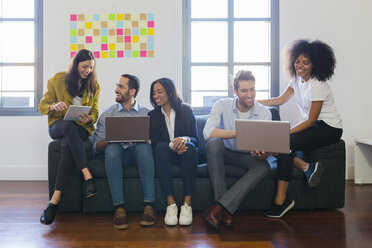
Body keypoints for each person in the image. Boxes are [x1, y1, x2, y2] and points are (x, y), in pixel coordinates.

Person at [258, 39, 343, 218]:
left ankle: (280, 202)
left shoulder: (317, 84)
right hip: (315, 126)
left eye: (306, 62)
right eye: (297, 61)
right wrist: (254, 102)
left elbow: (311, 120)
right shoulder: (296, 79)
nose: (300, 65)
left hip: (329, 128)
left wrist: (285, 132)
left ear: (315, 64)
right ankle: (306, 167)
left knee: (283, 143)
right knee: (282, 145)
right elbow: (280, 100)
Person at [203, 70, 272, 229]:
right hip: (224, 153)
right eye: (244, 90)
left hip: (247, 156)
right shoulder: (222, 104)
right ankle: (224, 209)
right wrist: (239, 132)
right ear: (235, 91)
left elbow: (265, 145)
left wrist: (262, 153)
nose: (250, 94)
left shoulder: (264, 113)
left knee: (264, 166)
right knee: (213, 143)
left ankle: (219, 208)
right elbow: (208, 132)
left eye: (252, 89)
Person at [38, 49, 100, 225]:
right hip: (58, 125)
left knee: (68, 142)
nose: (87, 70)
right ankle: (87, 174)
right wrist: (53, 106)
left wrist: (89, 119)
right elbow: (42, 105)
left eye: (91, 67)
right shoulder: (58, 79)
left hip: (80, 127)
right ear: (76, 64)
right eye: (84, 66)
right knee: (67, 126)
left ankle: (53, 202)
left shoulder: (94, 86)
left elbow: (94, 112)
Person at [93, 74, 156, 229]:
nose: (116, 90)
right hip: (117, 155)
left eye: (121, 87)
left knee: (143, 147)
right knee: (112, 148)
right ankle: (119, 208)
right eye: (117, 86)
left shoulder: (148, 114)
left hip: (139, 155)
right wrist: (110, 140)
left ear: (132, 91)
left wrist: (149, 141)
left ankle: (149, 206)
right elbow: (95, 146)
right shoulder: (108, 114)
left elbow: (157, 142)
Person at [148, 78, 199, 226]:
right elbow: (155, 141)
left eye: (159, 92)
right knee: (161, 148)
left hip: (186, 154)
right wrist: (173, 145)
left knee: (190, 148)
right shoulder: (152, 115)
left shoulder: (186, 110)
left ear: (170, 92)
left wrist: (184, 139)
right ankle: (170, 204)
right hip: (165, 155)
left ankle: (187, 204)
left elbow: (196, 139)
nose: (155, 96)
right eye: (153, 93)